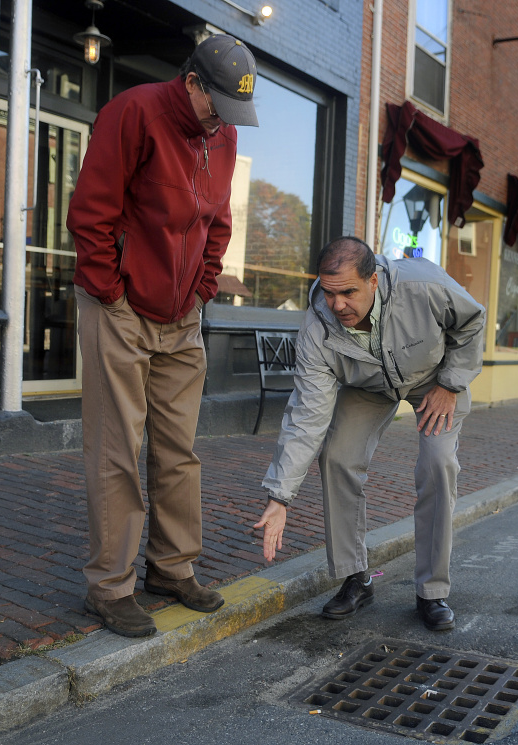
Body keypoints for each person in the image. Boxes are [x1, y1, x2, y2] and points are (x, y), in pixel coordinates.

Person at [67, 34, 259, 638]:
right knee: (116, 449)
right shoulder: (134, 112)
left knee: (179, 450)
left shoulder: (221, 136)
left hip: (182, 317)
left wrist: (202, 290)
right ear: (193, 83)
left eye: (234, 114)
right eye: (217, 105)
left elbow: (219, 219)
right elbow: (90, 215)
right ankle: (110, 586)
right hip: (120, 307)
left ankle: (171, 568)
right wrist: (112, 295)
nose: (222, 124)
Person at [254, 236, 485, 631]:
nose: (338, 305)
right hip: (369, 385)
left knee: (438, 464)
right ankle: (355, 578)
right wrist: (280, 496)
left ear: (374, 280)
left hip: (434, 381)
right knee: (338, 457)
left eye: (348, 292)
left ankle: (432, 591)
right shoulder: (317, 327)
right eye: (329, 293)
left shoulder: (423, 286)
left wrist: (450, 384)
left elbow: (472, 322)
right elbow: (308, 416)